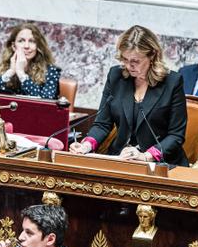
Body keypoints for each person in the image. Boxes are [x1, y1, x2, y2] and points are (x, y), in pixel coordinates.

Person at [69, 25, 188, 166]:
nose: (129, 66)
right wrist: (86, 145)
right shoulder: (116, 76)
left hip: (161, 164)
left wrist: (146, 156)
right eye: (125, 59)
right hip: (121, 158)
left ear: (152, 55)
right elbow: (102, 124)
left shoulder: (172, 82)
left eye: (135, 61)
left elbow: (176, 135)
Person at [0, 23, 61, 99]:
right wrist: (10, 72)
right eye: (21, 41)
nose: (26, 46)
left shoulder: (51, 71)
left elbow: (46, 102)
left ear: (38, 46)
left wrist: (21, 74)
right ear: (14, 46)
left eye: (32, 41)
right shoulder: (2, 66)